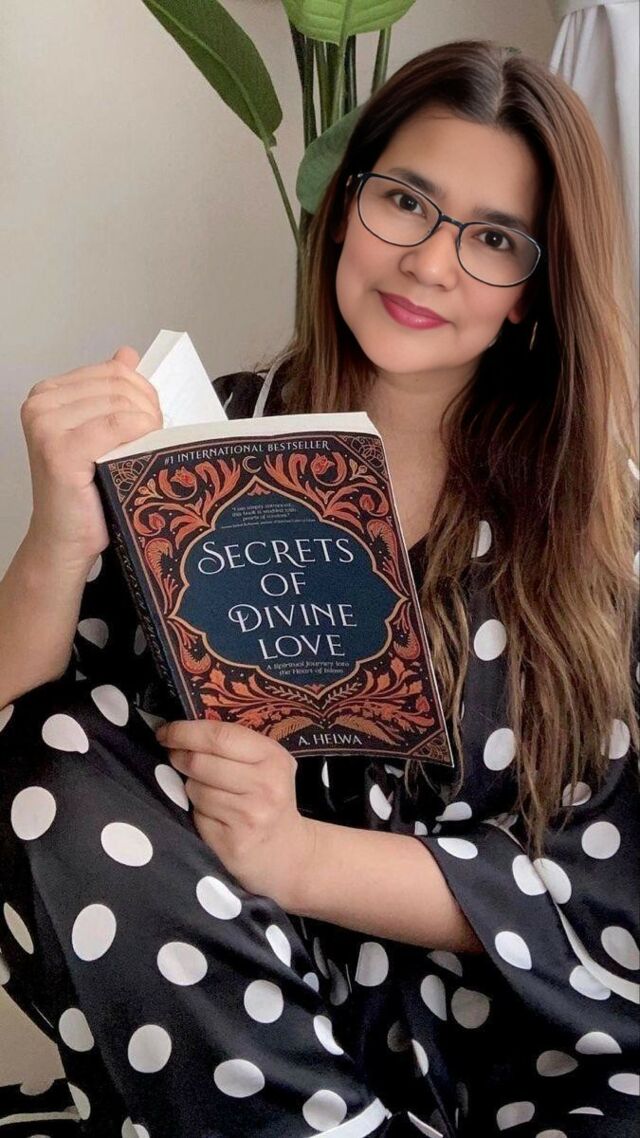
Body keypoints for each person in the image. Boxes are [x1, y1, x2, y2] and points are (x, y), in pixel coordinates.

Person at [0, 38, 637, 1138]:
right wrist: (57, 535)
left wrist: (303, 857)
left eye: (493, 238)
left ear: (534, 293)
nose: (430, 264)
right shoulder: (201, 437)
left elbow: (608, 888)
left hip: (524, 1055)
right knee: (37, 744)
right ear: (344, 210)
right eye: (406, 201)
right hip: (233, 1008)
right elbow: (25, 722)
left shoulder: (600, 519)